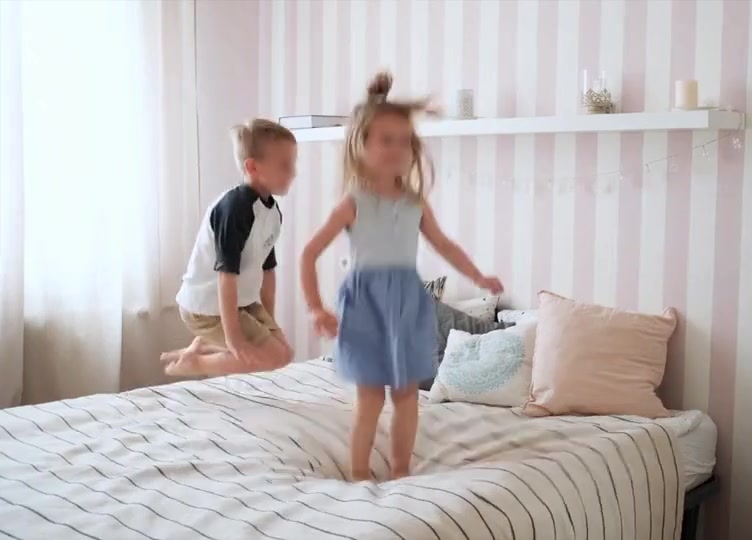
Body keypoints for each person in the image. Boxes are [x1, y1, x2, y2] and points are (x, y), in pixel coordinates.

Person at [300, 72, 503, 482]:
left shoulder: (415, 203)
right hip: (365, 305)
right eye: (385, 140)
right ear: (361, 145)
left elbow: (444, 245)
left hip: (407, 302)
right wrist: (316, 308)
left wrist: (478, 275)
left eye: (403, 140)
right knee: (370, 397)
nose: (396, 149)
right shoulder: (353, 202)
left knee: (407, 394)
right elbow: (309, 253)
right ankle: (359, 473)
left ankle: (400, 469)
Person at [162, 119, 297, 377]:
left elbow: (268, 271)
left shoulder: (271, 212)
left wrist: (268, 324)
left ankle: (198, 349)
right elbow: (226, 277)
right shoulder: (235, 210)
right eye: (284, 165)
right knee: (270, 356)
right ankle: (196, 363)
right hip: (207, 305)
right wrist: (235, 340)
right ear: (252, 167)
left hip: (242, 302)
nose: (293, 172)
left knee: (283, 354)